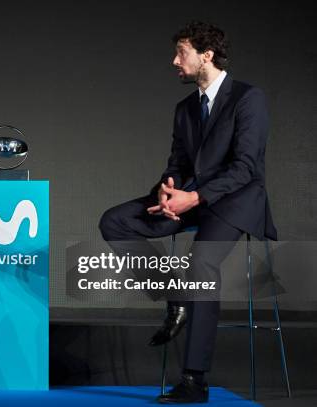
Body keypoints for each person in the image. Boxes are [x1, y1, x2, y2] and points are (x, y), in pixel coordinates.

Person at [99, 21, 276, 404]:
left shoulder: (248, 98)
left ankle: (194, 380)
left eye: (181, 52)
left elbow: (246, 167)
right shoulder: (185, 108)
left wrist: (193, 199)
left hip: (236, 202)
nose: (174, 60)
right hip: (190, 200)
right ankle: (173, 296)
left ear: (205, 55)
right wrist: (168, 187)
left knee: (201, 265)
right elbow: (178, 161)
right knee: (114, 221)